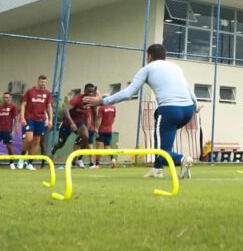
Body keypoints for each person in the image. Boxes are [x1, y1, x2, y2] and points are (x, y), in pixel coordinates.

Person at [96, 44, 196, 179]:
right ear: (164, 56)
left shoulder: (147, 69)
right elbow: (189, 90)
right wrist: (195, 107)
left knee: (161, 151)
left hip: (170, 110)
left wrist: (103, 101)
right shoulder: (175, 67)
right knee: (160, 139)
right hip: (188, 110)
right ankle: (157, 170)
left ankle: (182, 159)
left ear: (149, 56)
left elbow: (128, 93)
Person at [52, 85, 97, 167]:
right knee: (61, 144)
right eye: (89, 91)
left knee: (86, 137)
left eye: (92, 92)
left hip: (79, 122)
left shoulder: (92, 101)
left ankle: (79, 159)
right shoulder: (78, 99)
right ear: (85, 91)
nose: (90, 94)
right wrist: (72, 123)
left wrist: (95, 127)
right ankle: (53, 150)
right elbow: (66, 109)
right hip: (67, 123)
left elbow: (94, 113)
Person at [20, 75, 54, 169]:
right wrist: (22, 118)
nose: (43, 84)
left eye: (45, 82)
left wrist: (50, 119)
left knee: (36, 141)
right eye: (42, 82)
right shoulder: (30, 92)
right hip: (30, 119)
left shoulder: (47, 93)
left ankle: (30, 163)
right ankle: (22, 157)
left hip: (40, 120)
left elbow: (49, 107)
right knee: (29, 139)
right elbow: (23, 105)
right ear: (37, 81)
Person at [0, 91, 20, 168]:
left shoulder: (13, 107)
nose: (5, 99)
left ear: (10, 98)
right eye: (4, 97)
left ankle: (12, 163)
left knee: (9, 147)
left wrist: (14, 130)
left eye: (7, 97)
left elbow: (16, 118)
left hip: (8, 130)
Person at [90, 98, 118, 168]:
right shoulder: (113, 108)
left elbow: (100, 119)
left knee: (98, 147)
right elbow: (113, 119)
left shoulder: (101, 108)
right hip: (109, 130)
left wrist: (96, 129)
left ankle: (97, 164)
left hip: (102, 130)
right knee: (107, 146)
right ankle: (113, 159)